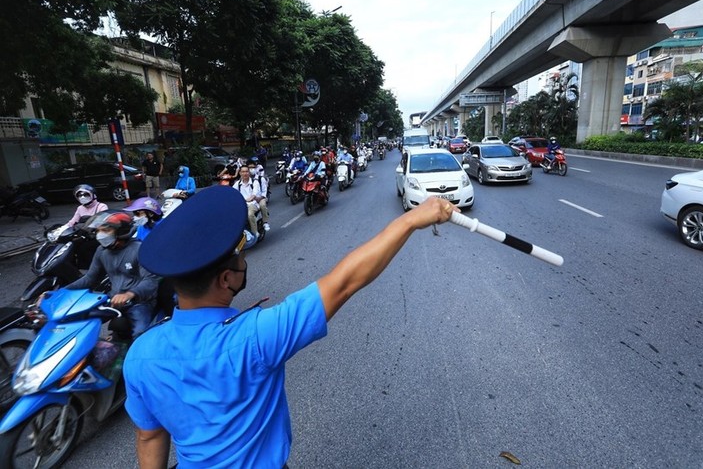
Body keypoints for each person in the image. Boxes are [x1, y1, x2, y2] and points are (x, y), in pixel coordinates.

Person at [123, 186, 457, 468]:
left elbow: (149, 435)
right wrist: (412, 219)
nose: (244, 263)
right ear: (226, 279)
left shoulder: (140, 355)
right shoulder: (255, 337)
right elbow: (343, 282)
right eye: (239, 259)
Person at [65, 211, 158, 339]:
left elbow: (150, 281)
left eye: (105, 230)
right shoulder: (102, 251)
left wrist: (129, 294)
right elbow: (90, 278)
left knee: (140, 335)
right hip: (112, 300)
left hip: (140, 302)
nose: (100, 235)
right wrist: (63, 291)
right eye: (98, 231)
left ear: (121, 232)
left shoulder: (139, 249)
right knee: (77, 321)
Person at [232, 165, 269, 242]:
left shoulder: (255, 182)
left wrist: (248, 199)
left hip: (253, 203)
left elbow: (254, 194)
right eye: (243, 172)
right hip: (242, 205)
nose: (245, 173)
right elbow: (232, 193)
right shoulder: (237, 184)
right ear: (240, 173)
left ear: (249, 173)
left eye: (246, 171)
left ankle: (255, 232)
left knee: (249, 214)